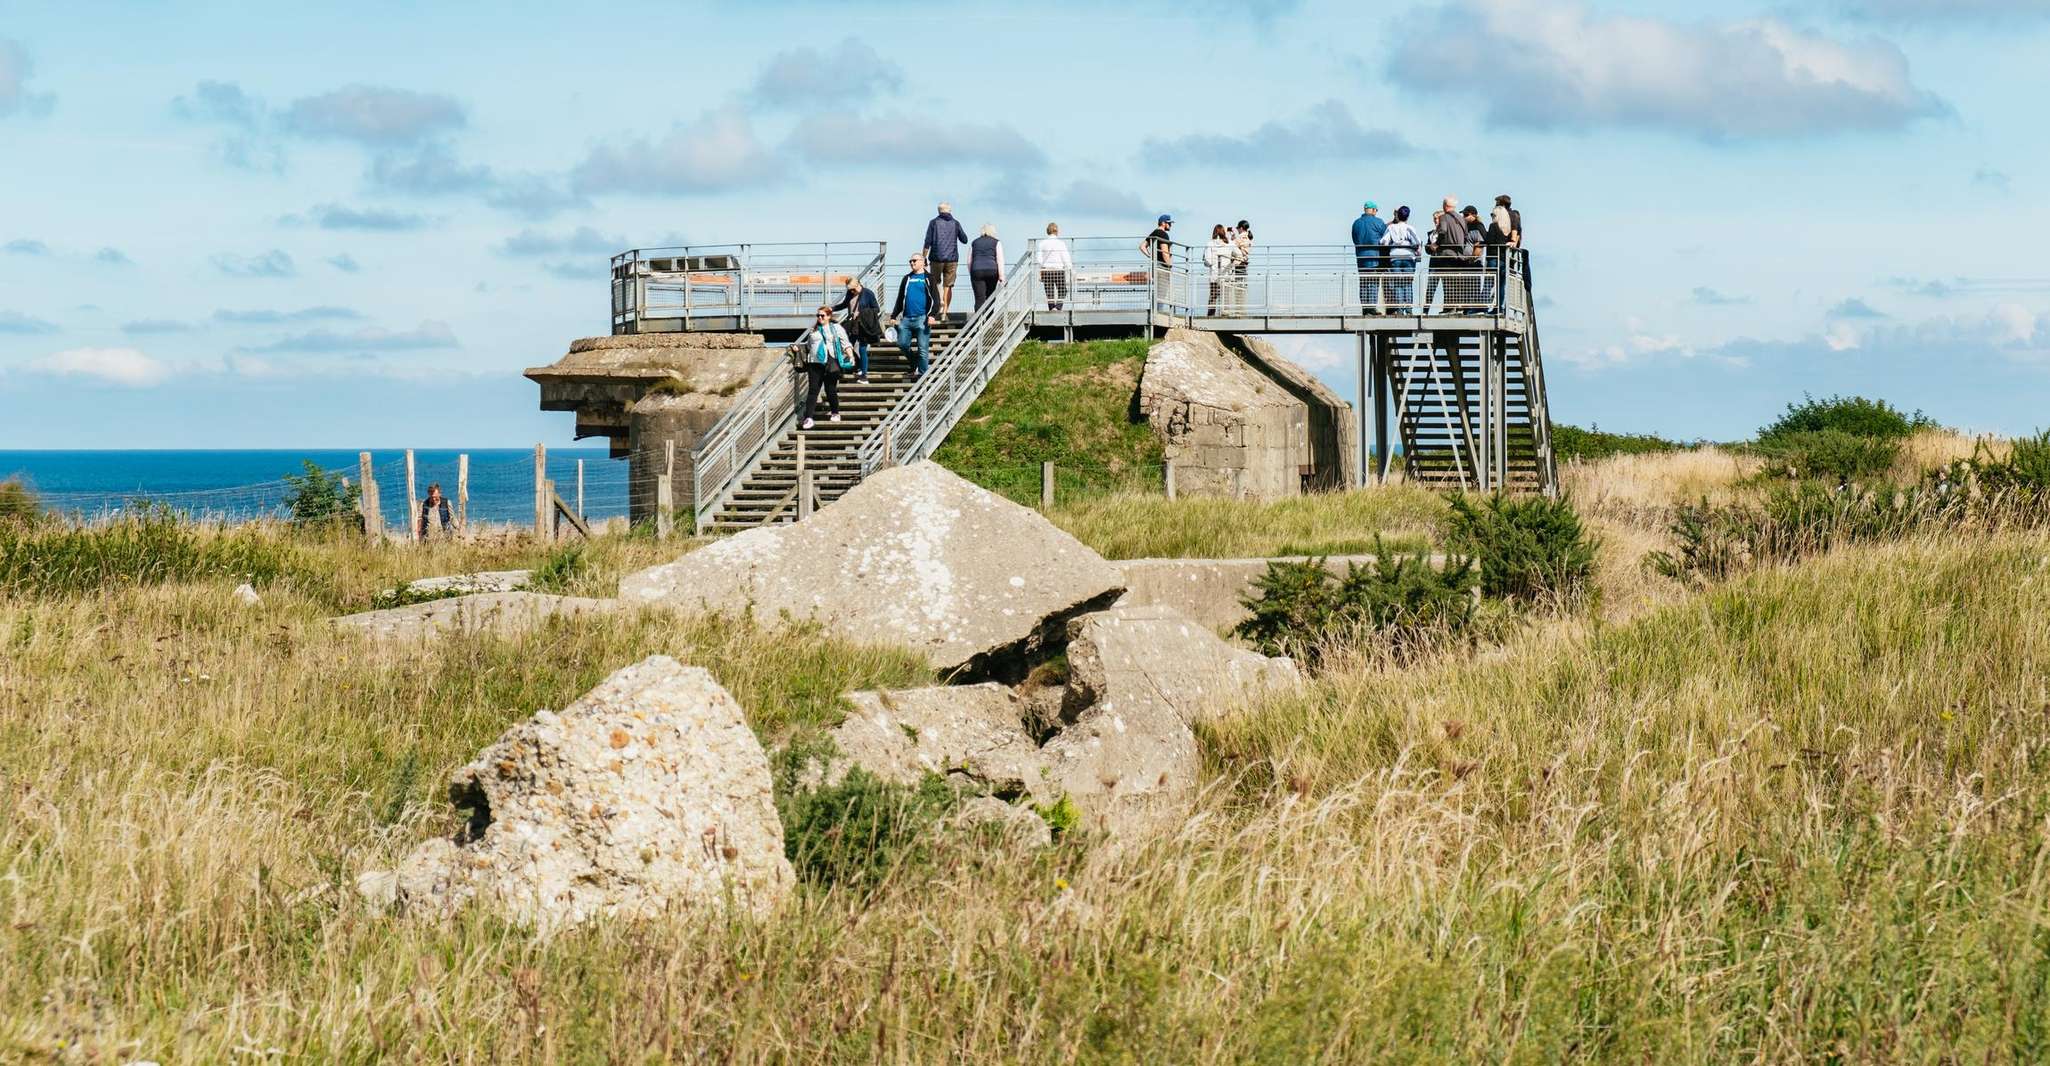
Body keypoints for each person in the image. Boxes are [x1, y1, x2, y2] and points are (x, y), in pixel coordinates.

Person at [796, 305, 854, 429]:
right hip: (814, 363)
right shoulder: (814, 330)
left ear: (829, 316)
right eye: (818, 315)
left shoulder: (836, 328)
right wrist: (798, 348)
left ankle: (835, 412)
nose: (820, 318)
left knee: (830, 389)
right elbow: (809, 345)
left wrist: (851, 356)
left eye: (822, 315)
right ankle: (808, 418)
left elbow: (846, 343)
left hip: (830, 363)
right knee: (813, 390)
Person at [888, 254, 936, 379]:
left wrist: (932, 315)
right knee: (902, 344)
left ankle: (923, 376)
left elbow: (935, 298)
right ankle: (916, 363)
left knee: (923, 349)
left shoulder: (928, 278)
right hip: (907, 319)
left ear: (922, 262)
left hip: (922, 318)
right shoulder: (907, 278)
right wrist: (894, 315)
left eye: (914, 260)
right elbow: (900, 298)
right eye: (910, 261)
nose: (912, 263)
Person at [921, 202, 970, 320]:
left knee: (936, 282)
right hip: (952, 258)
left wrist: (924, 257)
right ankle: (945, 312)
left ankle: (939, 305)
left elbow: (927, 241)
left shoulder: (933, 223)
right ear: (950, 210)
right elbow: (964, 240)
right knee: (948, 285)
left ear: (939, 211)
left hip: (936, 257)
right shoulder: (956, 223)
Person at [830, 276, 883, 383]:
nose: (852, 291)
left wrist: (861, 313)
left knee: (862, 349)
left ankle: (864, 375)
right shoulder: (850, 293)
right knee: (847, 345)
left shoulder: (868, 293)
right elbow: (845, 304)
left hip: (863, 324)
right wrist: (832, 308)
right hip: (853, 324)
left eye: (853, 289)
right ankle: (858, 365)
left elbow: (876, 309)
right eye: (850, 290)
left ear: (858, 285)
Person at [1427, 195, 1465, 313]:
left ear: (1445, 206)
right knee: (1454, 282)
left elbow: (1442, 231)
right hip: (1458, 254)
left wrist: (1436, 244)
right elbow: (1466, 235)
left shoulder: (1444, 217)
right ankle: (1454, 307)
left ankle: (1449, 308)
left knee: (1447, 283)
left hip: (1446, 255)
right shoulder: (1461, 218)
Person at [1381, 206, 1421, 313]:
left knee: (1398, 282)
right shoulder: (1410, 228)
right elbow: (1417, 242)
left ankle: (1399, 308)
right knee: (1408, 283)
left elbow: (1383, 241)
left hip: (1395, 257)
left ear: (1397, 215)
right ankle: (1408, 308)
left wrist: (1394, 244)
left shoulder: (1391, 228)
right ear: (1407, 217)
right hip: (1408, 257)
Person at [1351, 200, 1387, 314]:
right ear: (1373, 210)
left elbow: (1355, 239)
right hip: (1375, 256)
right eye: (1376, 210)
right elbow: (1385, 237)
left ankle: (1365, 307)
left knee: (1363, 281)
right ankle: (1371, 307)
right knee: (1373, 281)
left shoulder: (1356, 223)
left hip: (1360, 257)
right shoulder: (1378, 222)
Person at [968, 224, 1005, 310]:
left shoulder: (974, 242)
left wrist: (972, 273)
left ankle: (978, 322)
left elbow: (969, 260)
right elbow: (1000, 259)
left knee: (979, 299)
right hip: (992, 271)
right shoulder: (996, 242)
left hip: (976, 271)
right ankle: (989, 321)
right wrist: (1001, 276)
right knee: (990, 297)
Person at [1037, 222, 1072, 310]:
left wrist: (1041, 268)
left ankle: (1051, 308)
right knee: (1063, 290)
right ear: (1057, 232)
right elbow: (1065, 258)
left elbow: (1039, 259)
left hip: (1046, 270)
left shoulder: (1042, 243)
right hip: (1058, 270)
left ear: (1047, 231)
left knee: (1049, 292)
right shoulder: (1061, 243)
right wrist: (1070, 268)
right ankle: (1058, 307)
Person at [1143, 214, 1174, 312]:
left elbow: (1142, 246)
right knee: (1161, 291)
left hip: (1155, 264)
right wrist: (1170, 266)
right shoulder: (1163, 234)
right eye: (1169, 223)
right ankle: (1158, 313)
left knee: (1156, 290)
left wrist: (1150, 256)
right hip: (1162, 266)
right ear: (1163, 223)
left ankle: (1154, 311)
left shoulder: (1154, 233)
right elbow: (1165, 253)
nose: (1170, 225)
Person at [1204, 224, 1233, 315]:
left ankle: (1210, 315)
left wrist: (1210, 263)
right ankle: (1225, 315)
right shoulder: (1229, 243)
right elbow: (1238, 254)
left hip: (1214, 274)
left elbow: (1208, 261)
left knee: (1213, 296)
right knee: (1225, 297)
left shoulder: (1210, 243)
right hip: (1226, 274)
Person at [1231, 220, 1253, 313]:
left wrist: (1233, 238)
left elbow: (1232, 246)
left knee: (1238, 287)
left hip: (1238, 263)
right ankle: (1240, 309)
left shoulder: (1242, 237)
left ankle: (1239, 309)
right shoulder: (1248, 237)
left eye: (1237, 228)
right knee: (1241, 286)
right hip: (1243, 264)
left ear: (1240, 228)